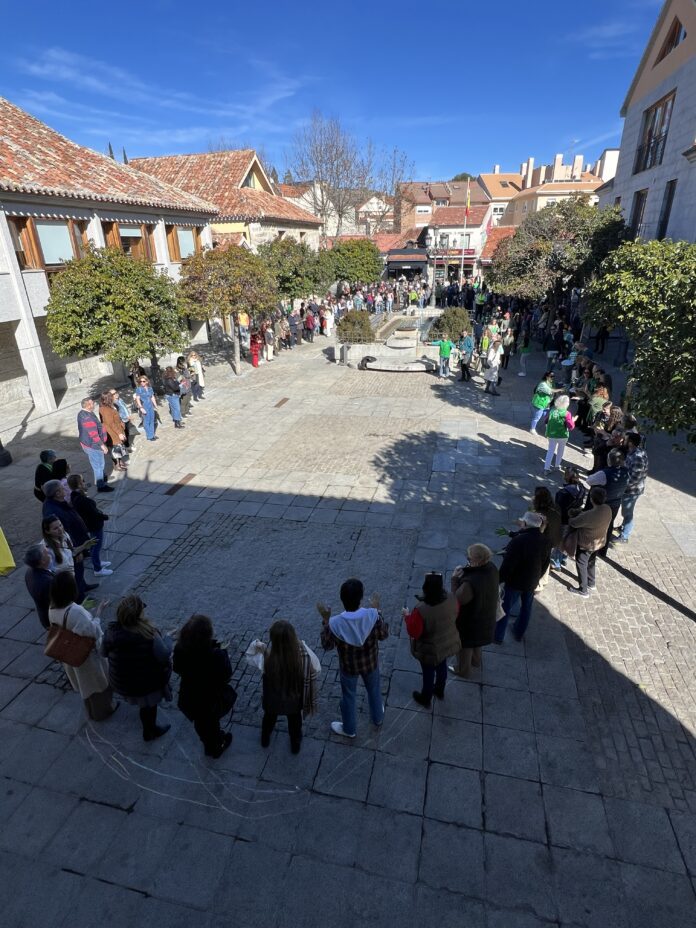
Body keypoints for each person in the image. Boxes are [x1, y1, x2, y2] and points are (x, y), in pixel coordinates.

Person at [319, 578, 388, 739]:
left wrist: (326, 621)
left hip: (348, 667)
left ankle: (349, 729)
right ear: (361, 598)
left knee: (348, 695)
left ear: (342, 600)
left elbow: (327, 645)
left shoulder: (335, 623)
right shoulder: (372, 615)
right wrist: (377, 611)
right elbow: (383, 634)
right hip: (370, 663)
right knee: (374, 689)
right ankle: (377, 717)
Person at [48, 571, 118, 720]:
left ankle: (92, 711)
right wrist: (98, 614)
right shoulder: (76, 611)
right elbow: (93, 632)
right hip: (86, 657)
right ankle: (103, 711)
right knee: (97, 684)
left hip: (69, 654)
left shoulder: (52, 608)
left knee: (85, 686)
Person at [102, 595, 173, 741]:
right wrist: (167, 638)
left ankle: (146, 721)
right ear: (139, 614)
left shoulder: (111, 632)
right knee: (148, 707)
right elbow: (164, 655)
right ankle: (150, 731)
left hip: (122, 681)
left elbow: (103, 652)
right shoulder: (149, 634)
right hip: (145, 683)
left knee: (141, 702)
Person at [173, 614, 234, 758]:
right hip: (209, 698)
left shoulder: (180, 648)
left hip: (190, 695)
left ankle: (209, 741)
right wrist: (223, 653)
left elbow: (176, 668)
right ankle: (216, 747)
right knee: (211, 723)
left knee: (201, 723)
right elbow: (226, 675)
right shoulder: (216, 656)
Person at [256, 620, 320, 753]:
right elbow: (315, 668)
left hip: (272, 701)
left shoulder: (268, 659)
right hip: (294, 701)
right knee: (295, 722)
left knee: (269, 719)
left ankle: (265, 738)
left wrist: (262, 649)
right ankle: (295, 743)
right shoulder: (301, 658)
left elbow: (259, 660)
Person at [403, 572, 460, 708]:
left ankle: (426, 698)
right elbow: (457, 613)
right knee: (442, 666)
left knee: (428, 672)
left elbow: (414, 632)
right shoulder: (452, 598)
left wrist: (406, 616)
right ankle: (440, 690)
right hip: (447, 641)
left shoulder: (421, 609)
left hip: (430, 648)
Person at [495, 512, 551, 643]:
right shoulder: (546, 540)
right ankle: (518, 632)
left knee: (505, 609)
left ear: (525, 524)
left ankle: (498, 636)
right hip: (532, 581)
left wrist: (498, 580)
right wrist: (538, 577)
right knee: (526, 608)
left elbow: (508, 565)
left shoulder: (519, 541)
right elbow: (545, 563)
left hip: (515, 582)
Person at [450, 544, 499, 677]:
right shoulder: (492, 568)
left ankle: (463, 670)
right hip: (485, 616)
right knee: (477, 641)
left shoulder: (470, 583)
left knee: (464, 645)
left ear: (477, 561)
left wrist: (454, 579)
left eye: (469, 558)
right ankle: (476, 661)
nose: (467, 559)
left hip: (470, 621)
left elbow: (457, 599)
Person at [42, 484, 97, 599]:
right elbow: (60, 567)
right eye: (62, 488)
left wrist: (82, 546)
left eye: (60, 526)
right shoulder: (53, 511)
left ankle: (83, 586)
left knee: (80, 571)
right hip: (68, 565)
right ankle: (79, 596)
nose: (60, 529)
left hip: (74, 544)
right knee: (76, 574)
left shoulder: (58, 504)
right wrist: (77, 552)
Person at [583, 448, 630, 556]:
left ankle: (591, 547)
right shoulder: (626, 472)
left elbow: (589, 480)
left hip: (603, 504)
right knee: (609, 525)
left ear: (609, 460)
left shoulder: (604, 473)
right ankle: (603, 551)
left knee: (595, 524)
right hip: (615, 503)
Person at [568, 487, 612, 597]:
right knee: (591, 561)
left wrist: (571, 517)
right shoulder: (607, 508)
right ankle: (591, 583)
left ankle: (583, 590)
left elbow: (574, 523)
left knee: (581, 563)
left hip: (587, 544)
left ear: (592, 499)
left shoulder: (589, 515)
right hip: (599, 542)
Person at [68, 474, 112, 577]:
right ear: (79, 484)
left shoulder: (75, 495)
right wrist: (104, 517)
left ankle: (97, 562)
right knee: (96, 545)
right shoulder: (83, 500)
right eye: (82, 481)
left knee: (94, 544)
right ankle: (97, 569)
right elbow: (94, 514)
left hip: (89, 524)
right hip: (94, 525)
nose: (84, 482)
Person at [614, 432, 649, 544]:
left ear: (630, 442)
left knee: (627, 513)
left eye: (626, 439)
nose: (623, 440)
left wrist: (622, 486)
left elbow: (635, 478)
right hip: (629, 489)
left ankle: (624, 536)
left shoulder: (638, 456)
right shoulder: (633, 452)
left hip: (631, 491)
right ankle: (623, 526)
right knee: (626, 511)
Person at [551, 468, 586, 569]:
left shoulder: (563, 493)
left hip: (563, 519)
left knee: (560, 541)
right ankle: (563, 559)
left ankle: (556, 562)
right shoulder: (582, 488)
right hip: (575, 517)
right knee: (568, 539)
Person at [77, 398, 113, 493]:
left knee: (97, 464)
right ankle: (101, 485)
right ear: (88, 405)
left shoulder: (82, 413)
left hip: (86, 444)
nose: (94, 404)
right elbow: (93, 434)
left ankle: (102, 477)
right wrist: (102, 445)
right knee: (99, 465)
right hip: (93, 445)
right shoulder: (87, 417)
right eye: (92, 403)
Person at [544, 395, 577, 474]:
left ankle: (546, 468)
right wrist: (573, 420)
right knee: (560, 450)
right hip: (562, 435)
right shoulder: (567, 413)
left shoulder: (552, 411)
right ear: (567, 404)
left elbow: (545, 420)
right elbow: (571, 426)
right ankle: (557, 465)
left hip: (551, 434)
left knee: (550, 450)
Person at [24, 543, 54, 629]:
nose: (49, 553)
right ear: (42, 561)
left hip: (44, 614)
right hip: (53, 618)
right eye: (46, 553)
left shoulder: (29, 572)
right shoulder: (48, 582)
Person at [99, 392, 128, 470]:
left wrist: (121, 422)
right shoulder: (105, 409)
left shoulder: (110, 406)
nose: (113, 397)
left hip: (116, 428)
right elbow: (111, 423)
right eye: (111, 396)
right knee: (115, 449)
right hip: (112, 432)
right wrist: (119, 433)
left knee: (119, 447)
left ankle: (120, 462)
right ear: (108, 399)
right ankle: (117, 465)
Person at [134, 375, 158, 441]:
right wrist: (141, 407)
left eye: (143, 381)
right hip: (144, 405)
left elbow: (152, 397)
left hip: (150, 405)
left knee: (152, 420)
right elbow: (137, 399)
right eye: (140, 381)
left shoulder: (150, 388)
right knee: (147, 421)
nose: (142, 383)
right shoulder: (139, 389)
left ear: (147, 381)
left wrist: (155, 405)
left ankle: (152, 434)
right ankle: (150, 436)